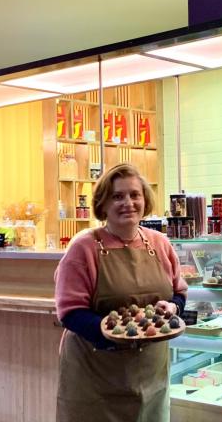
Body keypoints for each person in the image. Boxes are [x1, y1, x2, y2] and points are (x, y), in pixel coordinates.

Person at [54, 163, 188, 422]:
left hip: (151, 373)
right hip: (96, 372)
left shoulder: (159, 243)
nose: (128, 202)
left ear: (144, 200)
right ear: (103, 204)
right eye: (118, 196)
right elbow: (70, 312)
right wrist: (114, 335)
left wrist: (173, 307)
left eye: (134, 195)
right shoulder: (84, 248)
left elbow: (179, 292)